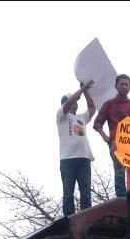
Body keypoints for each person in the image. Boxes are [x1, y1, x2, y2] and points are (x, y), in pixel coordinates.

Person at [93, 74, 130, 199]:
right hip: (116, 144)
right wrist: (105, 137)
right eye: (121, 84)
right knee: (120, 173)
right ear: (116, 86)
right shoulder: (109, 104)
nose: (124, 86)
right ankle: (122, 200)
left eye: (127, 84)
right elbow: (97, 123)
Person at [56, 80, 96, 217]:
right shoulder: (61, 115)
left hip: (84, 157)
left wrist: (85, 92)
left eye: (76, 102)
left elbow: (92, 108)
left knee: (85, 190)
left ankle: (87, 215)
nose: (75, 103)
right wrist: (81, 89)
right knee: (68, 192)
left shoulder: (81, 117)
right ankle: (69, 218)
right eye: (73, 101)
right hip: (67, 159)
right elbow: (68, 103)